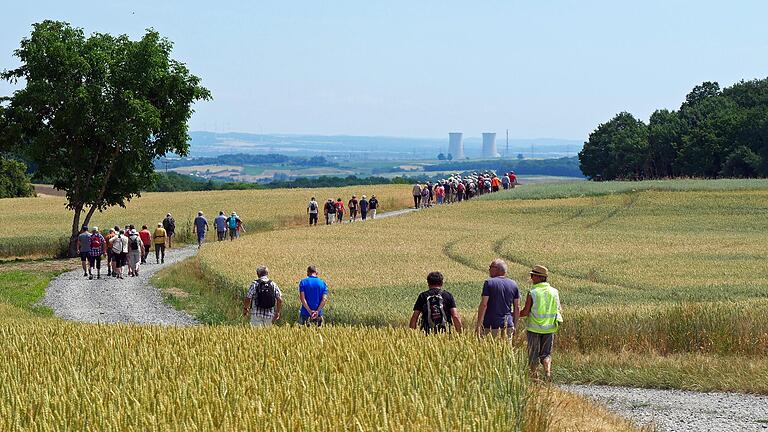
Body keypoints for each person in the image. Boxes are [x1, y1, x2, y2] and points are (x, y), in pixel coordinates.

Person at [519, 265, 562, 381]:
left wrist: (514, 313)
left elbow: (526, 311)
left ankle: (535, 378)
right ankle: (547, 373)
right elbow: (558, 309)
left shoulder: (533, 292)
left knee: (533, 354)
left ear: (539, 277)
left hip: (534, 328)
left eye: (532, 275)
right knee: (546, 354)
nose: (531, 278)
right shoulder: (554, 292)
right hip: (550, 328)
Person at [475, 259, 520, 341]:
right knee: (506, 351)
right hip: (508, 325)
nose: (489, 269)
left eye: (491, 267)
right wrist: (515, 326)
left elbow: (484, 304)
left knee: (490, 351)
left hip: (491, 324)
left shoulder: (489, 283)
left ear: (497, 269)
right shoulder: (514, 284)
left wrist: (479, 324)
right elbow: (517, 307)